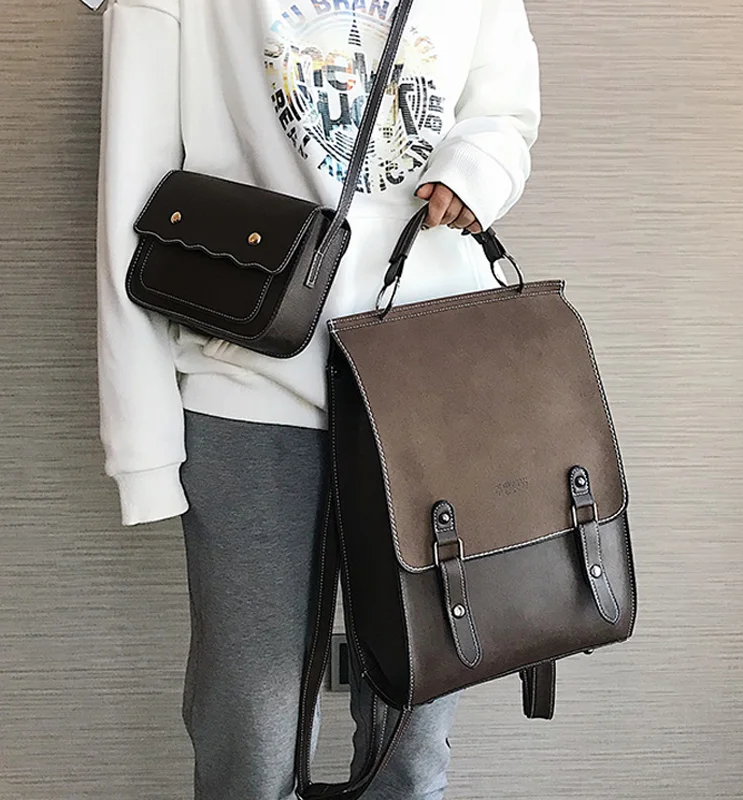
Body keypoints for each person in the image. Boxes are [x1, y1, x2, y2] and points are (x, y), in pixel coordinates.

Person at [95, 0, 541, 797]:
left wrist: (480, 168)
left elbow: (504, 105)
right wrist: (144, 449)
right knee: (251, 739)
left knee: (413, 740)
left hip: (429, 386)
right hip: (249, 388)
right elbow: (133, 197)